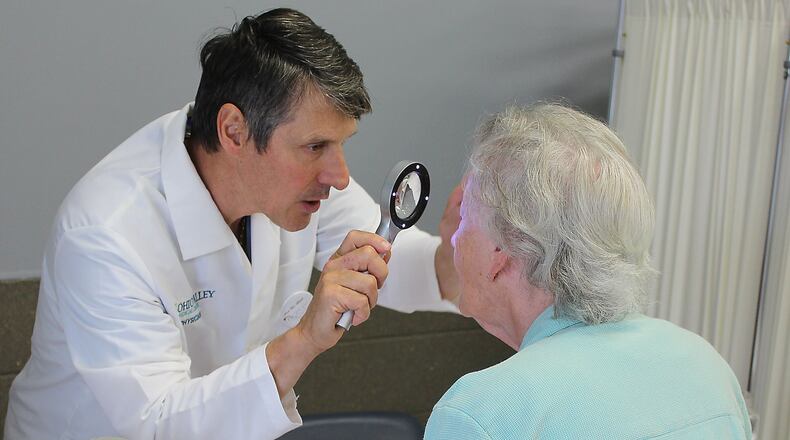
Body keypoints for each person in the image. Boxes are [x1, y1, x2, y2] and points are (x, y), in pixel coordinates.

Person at [4, 8, 461, 439]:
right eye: (315, 146)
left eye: (340, 145)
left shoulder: (289, 187)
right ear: (234, 131)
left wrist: (463, 257)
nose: (339, 176)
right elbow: (157, 425)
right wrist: (304, 339)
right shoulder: (106, 234)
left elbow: (389, 263)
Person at [424, 104, 752, 439]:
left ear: (501, 249)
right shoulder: (705, 366)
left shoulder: (480, 415)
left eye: (464, 218)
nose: (454, 237)